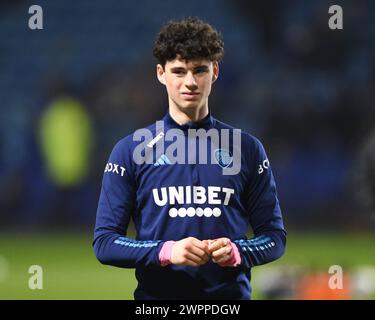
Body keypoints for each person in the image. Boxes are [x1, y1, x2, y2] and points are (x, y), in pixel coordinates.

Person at [93, 17, 286, 300]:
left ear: (215, 71)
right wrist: (166, 251)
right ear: (161, 73)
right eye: (179, 71)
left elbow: (274, 237)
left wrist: (237, 251)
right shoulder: (131, 150)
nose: (190, 82)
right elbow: (105, 243)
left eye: (200, 70)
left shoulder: (247, 149)